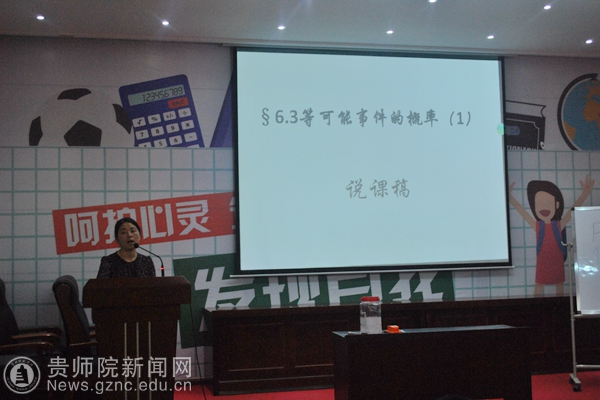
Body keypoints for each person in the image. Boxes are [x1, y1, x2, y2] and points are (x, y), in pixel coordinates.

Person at [509, 175, 594, 296]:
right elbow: (523, 212)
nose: (543, 207)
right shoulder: (539, 226)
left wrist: (585, 194)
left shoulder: (558, 225)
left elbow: (572, 210)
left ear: (557, 205)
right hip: (542, 264)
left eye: (548, 202)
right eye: (539, 203)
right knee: (539, 285)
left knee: (559, 286)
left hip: (557, 263)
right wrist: (510, 198)